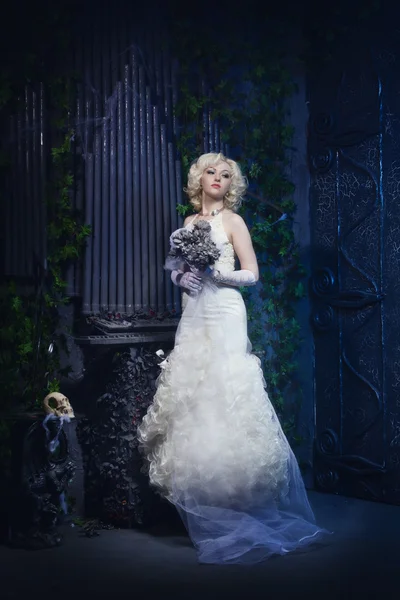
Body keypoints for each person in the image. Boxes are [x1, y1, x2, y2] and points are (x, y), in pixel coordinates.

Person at [137, 152, 328, 564]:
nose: (218, 178)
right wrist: (181, 277)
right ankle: (206, 502)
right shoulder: (188, 224)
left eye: (226, 174)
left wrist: (215, 274)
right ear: (198, 179)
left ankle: (238, 502)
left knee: (225, 389)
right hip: (194, 311)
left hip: (224, 309)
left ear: (231, 184)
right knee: (196, 395)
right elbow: (176, 268)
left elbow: (252, 273)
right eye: (211, 172)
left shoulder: (233, 222)